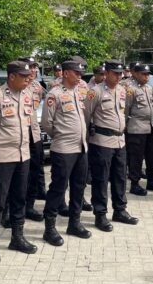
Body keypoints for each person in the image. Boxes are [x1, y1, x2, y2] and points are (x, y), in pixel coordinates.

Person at [0, 61, 38, 262]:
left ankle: (17, 237)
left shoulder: (27, 96)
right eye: (23, 76)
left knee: (19, 198)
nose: (27, 79)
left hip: (23, 156)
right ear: (12, 76)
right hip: (2, 158)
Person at [41, 59, 92, 246]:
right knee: (58, 188)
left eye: (81, 73)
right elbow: (47, 123)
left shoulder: (78, 93)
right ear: (66, 73)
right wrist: (62, 136)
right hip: (63, 149)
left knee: (79, 187)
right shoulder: (55, 94)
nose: (80, 76)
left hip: (81, 148)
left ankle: (74, 223)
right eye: (76, 73)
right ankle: (50, 228)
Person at [84, 59, 139, 231]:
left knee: (120, 177)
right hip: (101, 141)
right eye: (115, 73)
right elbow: (86, 116)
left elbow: (126, 112)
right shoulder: (95, 92)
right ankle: (100, 214)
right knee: (101, 179)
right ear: (106, 73)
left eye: (120, 73)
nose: (118, 76)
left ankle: (120, 210)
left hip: (119, 141)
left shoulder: (123, 91)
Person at [124, 63, 153, 196]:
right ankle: (135, 184)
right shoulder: (130, 89)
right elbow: (126, 109)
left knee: (152, 157)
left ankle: (151, 181)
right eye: (143, 74)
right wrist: (126, 126)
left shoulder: (148, 88)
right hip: (136, 128)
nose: (146, 77)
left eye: (147, 74)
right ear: (136, 74)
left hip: (150, 127)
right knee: (136, 158)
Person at [18, 56, 46, 221]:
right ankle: (10, 209)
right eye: (31, 67)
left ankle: (29, 206)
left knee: (34, 171)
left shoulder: (37, 87)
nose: (34, 70)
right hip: (17, 135)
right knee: (17, 174)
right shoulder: (14, 87)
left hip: (34, 134)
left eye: (35, 67)